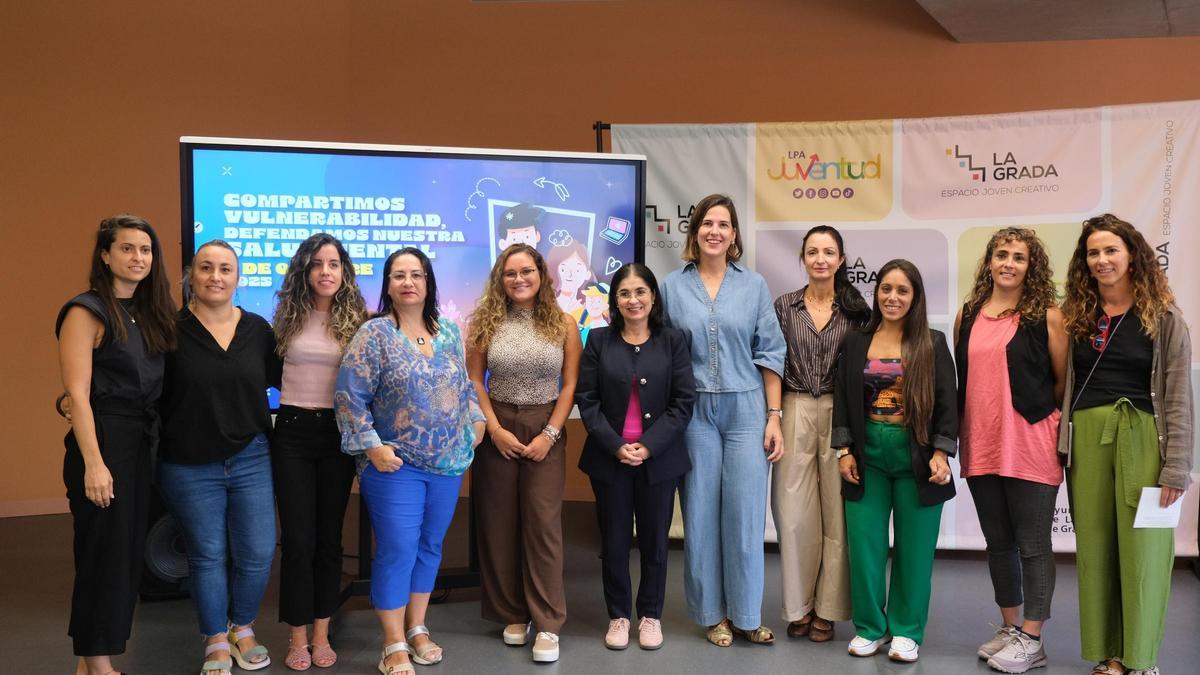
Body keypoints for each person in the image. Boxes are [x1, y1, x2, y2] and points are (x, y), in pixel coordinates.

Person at [336, 247, 486, 675]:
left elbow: (466, 388)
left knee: (429, 547)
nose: (407, 282)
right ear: (387, 285)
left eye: (415, 274)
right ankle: (393, 641)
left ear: (427, 282)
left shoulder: (450, 332)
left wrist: (475, 421)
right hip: (394, 466)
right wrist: (372, 446)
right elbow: (349, 397)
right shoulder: (374, 334)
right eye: (398, 275)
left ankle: (417, 626)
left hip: (448, 464)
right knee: (398, 549)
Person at [1059, 214, 1193, 675]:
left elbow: (1178, 397)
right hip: (1088, 441)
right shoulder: (1076, 315)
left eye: (1111, 250)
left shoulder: (1164, 316)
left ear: (1132, 255)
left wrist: (1176, 467)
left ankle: (1142, 658)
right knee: (1095, 552)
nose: (1102, 260)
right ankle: (1109, 653)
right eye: (1093, 252)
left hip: (1142, 438)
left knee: (1145, 553)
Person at [659, 194, 787, 647]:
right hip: (693, 413)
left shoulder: (753, 286)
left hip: (747, 409)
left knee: (745, 515)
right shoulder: (672, 287)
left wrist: (774, 416)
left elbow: (771, 352)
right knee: (699, 513)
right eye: (707, 223)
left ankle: (747, 614)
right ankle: (712, 614)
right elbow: (662, 354)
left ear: (733, 236)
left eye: (724, 224)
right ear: (694, 232)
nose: (715, 230)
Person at [56, 215, 176, 675]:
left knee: (125, 560)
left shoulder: (149, 313)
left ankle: (92, 663)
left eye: (145, 250)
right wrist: (93, 464)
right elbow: (77, 395)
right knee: (101, 558)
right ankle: (98, 664)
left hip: (140, 445)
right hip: (103, 445)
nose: (137, 258)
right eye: (127, 249)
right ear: (105, 255)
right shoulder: (85, 311)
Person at [156, 240, 281, 675]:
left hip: (251, 457)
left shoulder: (259, 331)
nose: (215, 276)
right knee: (207, 555)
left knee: (259, 551)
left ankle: (241, 627)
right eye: (206, 268)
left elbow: (280, 382)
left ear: (237, 276)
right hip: (188, 464)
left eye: (225, 269)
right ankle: (214, 638)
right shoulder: (169, 330)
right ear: (191, 274)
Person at [954, 228, 1067, 673]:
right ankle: (1011, 628)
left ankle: (1033, 639)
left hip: (1031, 443)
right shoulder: (968, 314)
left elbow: (1060, 382)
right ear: (989, 262)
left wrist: (1041, 421)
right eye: (1002, 254)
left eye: (1019, 258)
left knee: (1034, 545)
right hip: (981, 442)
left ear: (1030, 267)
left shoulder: (1048, 316)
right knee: (998, 543)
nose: (1008, 263)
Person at [833, 259, 957, 663]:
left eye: (903, 290)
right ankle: (870, 628)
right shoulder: (855, 341)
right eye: (886, 289)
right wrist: (844, 449)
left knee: (914, 551)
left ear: (915, 297)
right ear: (876, 293)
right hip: (866, 456)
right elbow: (841, 401)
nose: (893, 297)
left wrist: (941, 451)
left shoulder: (932, 343)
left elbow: (947, 403)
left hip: (916, 456)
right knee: (865, 548)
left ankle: (906, 631)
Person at [466, 243, 582, 663]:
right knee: (498, 523)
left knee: (543, 524)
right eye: (511, 273)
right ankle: (512, 613)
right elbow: (475, 381)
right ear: (501, 278)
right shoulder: (485, 322)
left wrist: (551, 432)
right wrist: (494, 429)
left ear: (541, 275)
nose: (519, 279)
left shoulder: (564, 324)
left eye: (527, 271)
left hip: (545, 427)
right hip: (497, 427)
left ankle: (547, 622)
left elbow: (570, 385)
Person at [575, 263, 696, 651]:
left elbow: (683, 402)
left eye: (640, 292)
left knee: (655, 542)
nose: (633, 300)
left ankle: (650, 615)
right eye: (624, 293)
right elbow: (587, 400)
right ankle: (618, 615)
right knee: (613, 542)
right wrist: (616, 445)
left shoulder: (673, 340)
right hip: (608, 458)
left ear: (653, 297)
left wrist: (649, 445)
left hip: (659, 459)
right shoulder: (597, 340)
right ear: (615, 300)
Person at [271, 234, 367, 671]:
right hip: (290, 432)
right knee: (297, 540)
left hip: (337, 435)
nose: (326, 271)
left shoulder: (360, 324)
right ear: (304, 272)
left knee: (329, 539)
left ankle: (323, 634)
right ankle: (296, 637)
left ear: (344, 272)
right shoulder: (285, 320)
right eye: (316, 264)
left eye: (333, 263)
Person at [771, 226, 870, 643]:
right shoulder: (783, 307)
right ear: (802, 258)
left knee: (837, 513)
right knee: (792, 515)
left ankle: (828, 610)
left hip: (840, 410)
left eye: (829, 252)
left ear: (842, 259)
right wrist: (773, 414)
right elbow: (772, 362)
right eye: (813, 252)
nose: (821, 259)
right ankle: (798, 606)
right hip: (793, 406)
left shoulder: (857, 309)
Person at [547, 239, 594, 317]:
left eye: (577, 270)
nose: (570, 275)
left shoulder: (586, 309)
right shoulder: (545, 304)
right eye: (563, 269)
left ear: (587, 274)